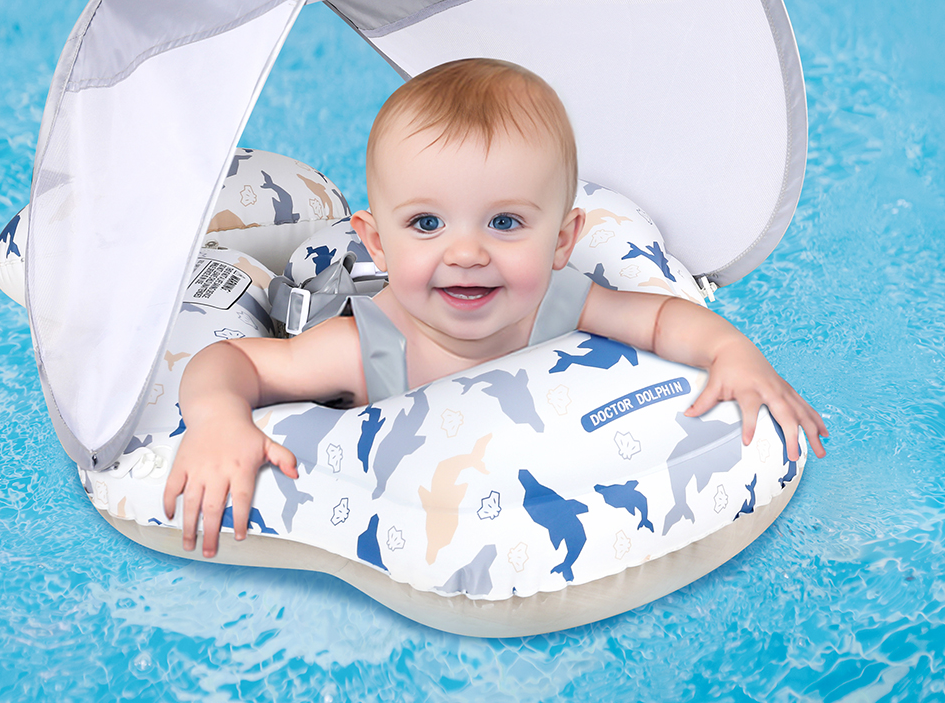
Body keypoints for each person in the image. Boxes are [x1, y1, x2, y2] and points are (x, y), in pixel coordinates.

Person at [164, 58, 828, 557]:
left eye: (505, 223)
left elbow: (656, 318)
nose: (466, 253)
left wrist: (731, 352)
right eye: (426, 224)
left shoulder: (555, 303)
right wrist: (219, 419)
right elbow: (231, 362)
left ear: (562, 240)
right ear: (379, 242)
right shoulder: (369, 348)